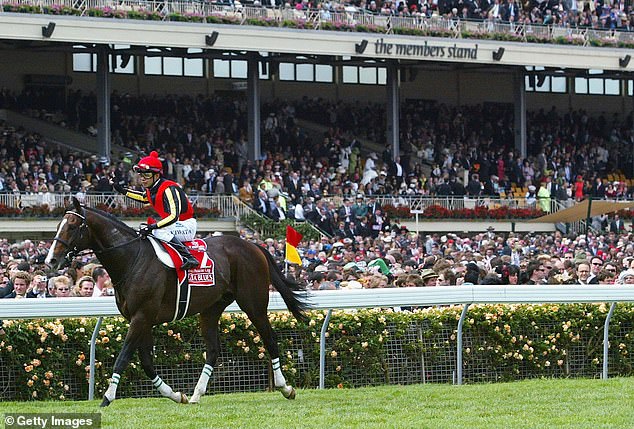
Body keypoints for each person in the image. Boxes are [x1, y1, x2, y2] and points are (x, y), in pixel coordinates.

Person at [110, 151, 198, 270]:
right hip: (175, 225)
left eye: (146, 175)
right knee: (145, 228)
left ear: (156, 175)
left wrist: (153, 227)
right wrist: (121, 189)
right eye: (141, 175)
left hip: (186, 225)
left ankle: (189, 257)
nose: (142, 179)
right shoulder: (151, 189)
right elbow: (142, 198)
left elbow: (173, 217)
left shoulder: (169, 188)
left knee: (157, 231)